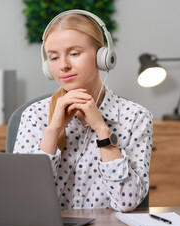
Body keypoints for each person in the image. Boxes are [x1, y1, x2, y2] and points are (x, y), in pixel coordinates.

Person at [14, 10, 153, 212]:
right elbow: (23, 199)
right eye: (53, 57)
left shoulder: (136, 118)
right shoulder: (34, 115)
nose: (63, 66)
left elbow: (126, 203)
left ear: (102, 56)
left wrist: (102, 130)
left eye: (74, 53)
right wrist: (53, 130)